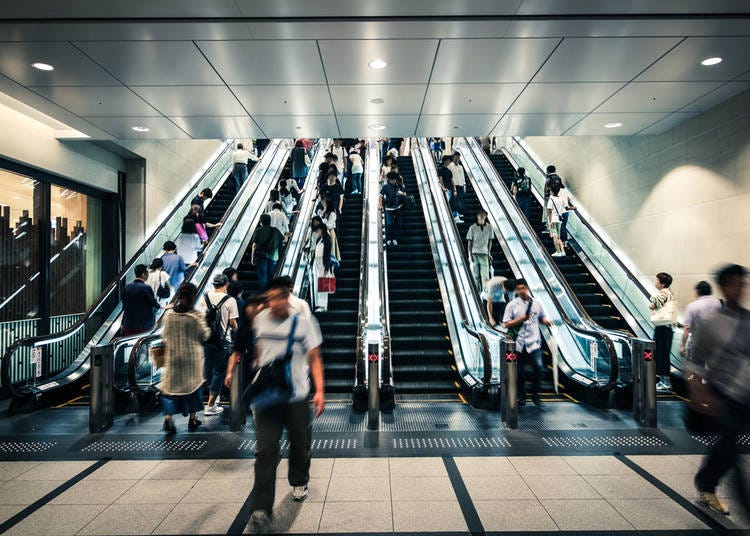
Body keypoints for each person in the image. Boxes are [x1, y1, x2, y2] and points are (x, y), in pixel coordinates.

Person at [247, 279, 325, 533]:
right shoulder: (260, 320)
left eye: (278, 299)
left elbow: (314, 357)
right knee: (265, 451)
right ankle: (261, 508)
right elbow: (259, 352)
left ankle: (299, 480)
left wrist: (320, 391)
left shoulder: (303, 322)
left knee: (300, 444)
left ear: (286, 298)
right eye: (270, 300)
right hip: (269, 398)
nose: (274, 304)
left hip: (297, 395)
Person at [691, 264, 750, 517]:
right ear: (723, 287)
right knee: (731, 450)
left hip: (746, 394)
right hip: (721, 394)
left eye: (743, 283)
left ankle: (705, 481)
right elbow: (694, 361)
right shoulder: (711, 322)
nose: (740, 288)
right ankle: (745, 507)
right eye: (735, 283)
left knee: (729, 446)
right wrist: (698, 391)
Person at [160, 282, 210, 434]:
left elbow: (164, 335)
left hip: (173, 357)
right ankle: (193, 419)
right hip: (192, 359)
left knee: (170, 390)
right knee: (193, 389)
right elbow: (205, 335)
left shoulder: (169, 315)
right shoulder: (195, 316)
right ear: (193, 297)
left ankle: (169, 417)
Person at [503, 278, 553, 406]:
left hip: (534, 343)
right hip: (518, 344)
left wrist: (546, 321)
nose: (521, 291)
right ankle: (521, 395)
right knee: (519, 371)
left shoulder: (537, 303)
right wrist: (520, 319)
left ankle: (535, 394)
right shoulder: (512, 305)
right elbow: (506, 324)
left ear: (527, 288)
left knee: (538, 368)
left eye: (523, 288)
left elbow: (541, 317)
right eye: (518, 289)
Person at [202, 273, 239, 416]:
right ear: (226, 285)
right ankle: (210, 404)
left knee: (209, 370)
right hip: (223, 340)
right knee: (219, 371)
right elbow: (232, 323)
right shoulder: (230, 300)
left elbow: (202, 316)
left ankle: (213, 398)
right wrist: (237, 329)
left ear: (214, 284)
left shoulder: (205, 298)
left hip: (207, 339)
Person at [224, 293, 265, 401]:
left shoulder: (268, 326)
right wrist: (229, 373)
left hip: (267, 368)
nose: (251, 310)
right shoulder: (244, 329)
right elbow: (235, 352)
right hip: (249, 368)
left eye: (255, 306)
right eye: (249, 306)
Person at [649, 271, 677, 392]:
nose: (655, 282)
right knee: (663, 354)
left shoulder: (664, 292)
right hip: (668, 328)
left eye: (657, 280)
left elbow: (656, 302)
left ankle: (665, 383)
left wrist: (652, 303)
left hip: (662, 328)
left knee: (660, 354)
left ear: (662, 283)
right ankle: (665, 381)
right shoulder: (670, 292)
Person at [680, 281, 722, 360]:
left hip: (697, 343)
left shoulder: (692, 306)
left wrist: (682, 345)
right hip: (714, 343)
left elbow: (687, 328)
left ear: (697, 291)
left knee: (695, 368)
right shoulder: (718, 303)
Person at [121, 264, 160, 336]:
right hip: (143, 326)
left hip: (128, 324)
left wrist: (122, 324)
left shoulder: (126, 287)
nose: (148, 274)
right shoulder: (146, 288)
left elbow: (124, 307)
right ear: (143, 274)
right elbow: (154, 304)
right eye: (147, 272)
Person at [251, 213, 284, 291]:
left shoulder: (258, 231)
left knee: (263, 276)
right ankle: (271, 291)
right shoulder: (275, 230)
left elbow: (254, 245)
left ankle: (264, 292)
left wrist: (252, 257)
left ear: (261, 222)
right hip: (273, 256)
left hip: (261, 257)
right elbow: (281, 241)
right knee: (271, 275)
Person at [466, 209, 494, 291]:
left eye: (484, 214)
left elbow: (490, 241)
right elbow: (469, 243)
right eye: (480, 214)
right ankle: (477, 293)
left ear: (486, 216)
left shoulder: (489, 227)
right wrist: (469, 255)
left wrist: (489, 253)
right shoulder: (472, 228)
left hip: (484, 253)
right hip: (475, 253)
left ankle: (485, 293)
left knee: (485, 275)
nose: (482, 216)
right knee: (475, 275)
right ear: (477, 216)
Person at [312, 222, 335, 312]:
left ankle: (323, 305)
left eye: (318, 230)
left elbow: (328, 254)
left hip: (323, 263)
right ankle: (318, 303)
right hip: (317, 263)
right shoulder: (319, 240)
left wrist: (326, 267)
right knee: (318, 284)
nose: (317, 232)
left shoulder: (327, 240)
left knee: (323, 284)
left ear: (322, 230)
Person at [380, 171, 406, 247]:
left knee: (398, 225)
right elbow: (381, 195)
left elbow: (405, 195)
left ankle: (395, 239)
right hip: (389, 209)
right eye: (391, 179)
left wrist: (402, 194)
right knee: (389, 224)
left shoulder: (400, 185)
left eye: (394, 179)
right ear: (389, 179)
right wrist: (380, 204)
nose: (393, 181)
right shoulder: (385, 187)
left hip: (399, 208)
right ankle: (388, 239)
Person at [316, 197, 340, 262]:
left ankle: (330, 268)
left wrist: (320, 222)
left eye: (324, 202)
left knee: (330, 251)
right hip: (321, 233)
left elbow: (329, 225)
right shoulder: (320, 212)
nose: (322, 203)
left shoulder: (332, 214)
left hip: (330, 233)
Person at [546, 183, 567, 257]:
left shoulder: (551, 200)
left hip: (553, 220)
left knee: (554, 236)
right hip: (559, 220)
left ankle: (558, 252)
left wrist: (550, 221)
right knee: (558, 236)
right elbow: (565, 208)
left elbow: (549, 211)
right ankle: (563, 251)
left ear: (552, 191)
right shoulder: (561, 199)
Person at [437, 155, 459, 222]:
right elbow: (440, 179)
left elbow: (452, 181)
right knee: (446, 204)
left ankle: (455, 217)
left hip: (450, 189)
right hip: (446, 190)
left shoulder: (449, 171)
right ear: (445, 161)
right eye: (448, 160)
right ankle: (447, 217)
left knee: (453, 203)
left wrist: (455, 189)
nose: (449, 162)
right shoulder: (440, 169)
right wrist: (443, 187)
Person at [543, 165, 563, 233]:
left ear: (548, 170)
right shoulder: (558, 177)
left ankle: (549, 228)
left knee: (548, 212)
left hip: (549, 197)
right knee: (554, 213)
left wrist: (548, 195)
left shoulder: (549, 177)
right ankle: (554, 229)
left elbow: (548, 186)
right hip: (556, 197)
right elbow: (562, 186)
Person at [447, 152, 466, 223]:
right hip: (453, 186)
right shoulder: (450, 166)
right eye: (456, 157)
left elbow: (462, 176)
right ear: (453, 157)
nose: (457, 159)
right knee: (454, 201)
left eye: (458, 158)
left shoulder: (460, 167)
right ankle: (455, 215)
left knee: (459, 200)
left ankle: (457, 213)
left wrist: (464, 185)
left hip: (460, 185)